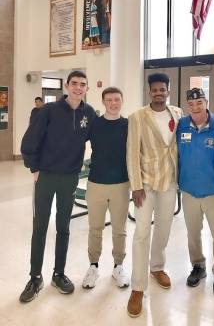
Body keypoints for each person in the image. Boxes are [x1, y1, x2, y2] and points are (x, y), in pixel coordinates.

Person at [19, 70, 96, 303]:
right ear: (66, 86)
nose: (78, 88)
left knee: (63, 227)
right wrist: (33, 167)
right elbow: (29, 140)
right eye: (74, 84)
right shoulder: (48, 111)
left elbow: (99, 139)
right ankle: (35, 277)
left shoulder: (89, 113)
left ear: (86, 89)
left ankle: (58, 274)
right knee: (40, 226)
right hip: (46, 176)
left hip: (70, 177)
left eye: (83, 84)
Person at [126, 73, 182, 318]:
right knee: (141, 233)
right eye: (155, 90)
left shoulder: (178, 114)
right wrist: (135, 185)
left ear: (168, 91)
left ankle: (157, 267)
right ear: (149, 92)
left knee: (164, 227)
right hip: (146, 184)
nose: (159, 93)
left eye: (163, 89)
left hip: (169, 181)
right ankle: (138, 287)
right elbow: (131, 152)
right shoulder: (137, 117)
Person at [176, 88, 214, 295]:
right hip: (189, 191)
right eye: (191, 104)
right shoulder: (181, 125)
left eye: (199, 103)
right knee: (192, 234)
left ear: (206, 102)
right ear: (187, 106)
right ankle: (198, 266)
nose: (195, 108)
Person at [82, 87, 130, 289]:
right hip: (96, 184)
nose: (113, 103)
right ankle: (93, 266)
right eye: (109, 100)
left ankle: (118, 266)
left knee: (120, 229)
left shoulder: (129, 125)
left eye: (117, 99)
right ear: (103, 102)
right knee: (95, 228)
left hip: (121, 184)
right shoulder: (94, 124)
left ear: (121, 101)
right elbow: (72, 141)